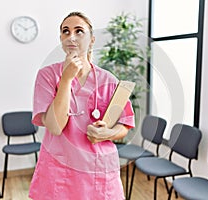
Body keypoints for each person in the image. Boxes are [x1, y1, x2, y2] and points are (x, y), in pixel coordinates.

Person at [29, 11, 135, 200]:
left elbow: (124, 125)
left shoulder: (108, 79)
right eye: (65, 31)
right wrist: (66, 79)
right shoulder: (47, 76)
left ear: (92, 39)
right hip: (60, 169)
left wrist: (108, 133)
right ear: (61, 38)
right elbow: (54, 126)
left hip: (98, 168)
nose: (71, 37)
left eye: (79, 31)